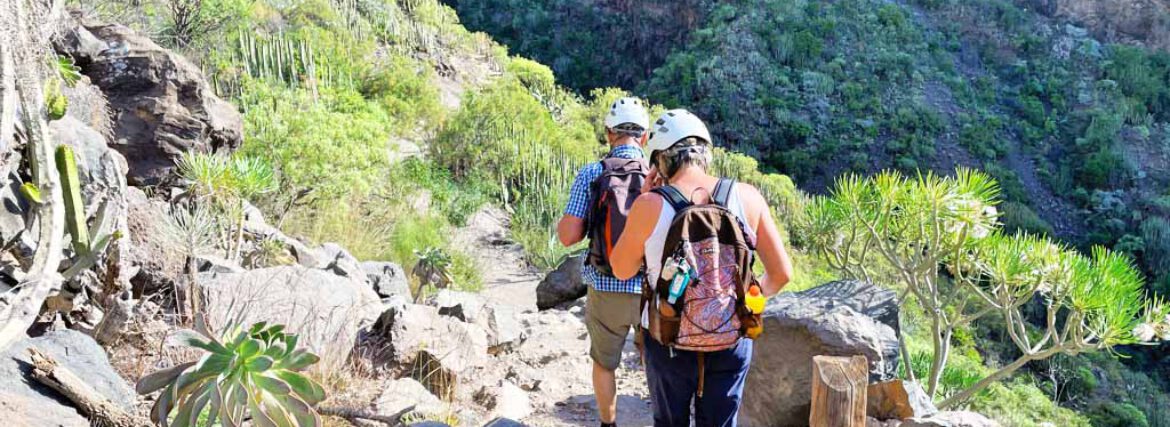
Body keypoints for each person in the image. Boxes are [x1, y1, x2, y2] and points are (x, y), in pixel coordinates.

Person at [610, 109, 794, 427]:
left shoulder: (649, 205)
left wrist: (643, 199)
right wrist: (738, 303)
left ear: (661, 160)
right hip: (731, 340)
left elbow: (622, 270)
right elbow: (781, 274)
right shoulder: (747, 197)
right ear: (705, 154)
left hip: (667, 339)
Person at [556, 96, 652, 427]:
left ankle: (608, 424)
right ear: (645, 136)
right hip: (651, 288)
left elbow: (568, 236)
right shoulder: (659, 178)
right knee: (654, 358)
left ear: (609, 133)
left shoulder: (592, 173)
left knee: (604, 362)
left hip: (605, 285)